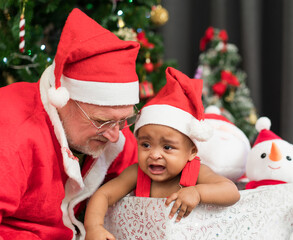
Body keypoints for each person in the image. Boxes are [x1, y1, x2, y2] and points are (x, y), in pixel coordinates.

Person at [0, 8, 140, 240]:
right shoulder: (11, 132)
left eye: (124, 121)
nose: (115, 135)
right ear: (63, 100)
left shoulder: (113, 135)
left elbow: (153, 179)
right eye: (101, 122)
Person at [84, 67, 241, 240]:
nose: (155, 154)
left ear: (191, 152)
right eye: (146, 144)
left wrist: (197, 192)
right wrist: (94, 228)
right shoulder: (138, 173)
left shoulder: (197, 172)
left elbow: (231, 191)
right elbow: (103, 195)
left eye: (167, 147)